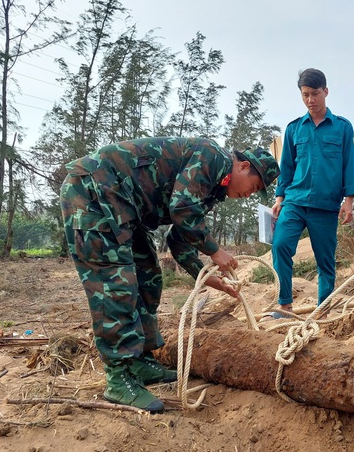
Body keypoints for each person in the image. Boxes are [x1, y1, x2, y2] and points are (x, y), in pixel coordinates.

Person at [60, 137, 280, 412]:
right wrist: (214, 250)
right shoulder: (212, 156)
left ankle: (140, 360)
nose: (249, 194)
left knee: (148, 276)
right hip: (93, 193)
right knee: (115, 284)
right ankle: (118, 378)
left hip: (123, 207)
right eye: (255, 186)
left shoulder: (212, 190)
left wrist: (205, 275)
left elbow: (179, 237)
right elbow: (182, 209)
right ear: (244, 166)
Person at [272, 68, 354, 313]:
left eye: (315, 94)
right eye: (305, 95)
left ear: (326, 92)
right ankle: (284, 304)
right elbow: (286, 167)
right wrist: (279, 198)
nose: (310, 100)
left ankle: (323, 310)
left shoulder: (342, 127)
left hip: (326, 205)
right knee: (280, 246)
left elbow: (349, 164)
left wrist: (349, 200)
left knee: (326, 262)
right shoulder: (293, 129)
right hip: (294, 201)